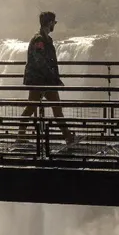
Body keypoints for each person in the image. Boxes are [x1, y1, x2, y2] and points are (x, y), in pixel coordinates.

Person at [16, 11, 76, 145]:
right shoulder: (39, 40)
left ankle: (67, 136)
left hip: (45, 81)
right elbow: (40, 62)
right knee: (35, 107)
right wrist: (54, 78)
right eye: (54, 22)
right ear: (49, 23)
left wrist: (54, 79)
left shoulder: (45, 39)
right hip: (40, 81)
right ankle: (67, 136)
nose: (54, 25)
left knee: (51, 108)